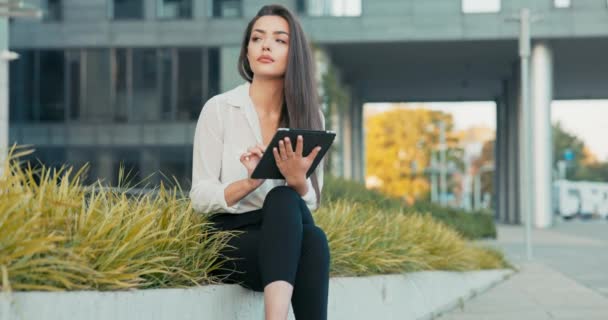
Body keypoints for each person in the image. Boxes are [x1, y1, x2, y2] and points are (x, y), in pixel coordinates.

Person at [189, 4, 330, 320]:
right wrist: (249, 183)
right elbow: (199, 196)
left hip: (285, 241)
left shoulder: (310, 118)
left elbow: (313, 201)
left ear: (294, 55)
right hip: (229, 240)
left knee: (306, 228)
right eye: (257, 38)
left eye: (280, 40)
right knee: (308, 233)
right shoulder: (220, 109)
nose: (266, 46)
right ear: (247, 51)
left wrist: (297, 180)